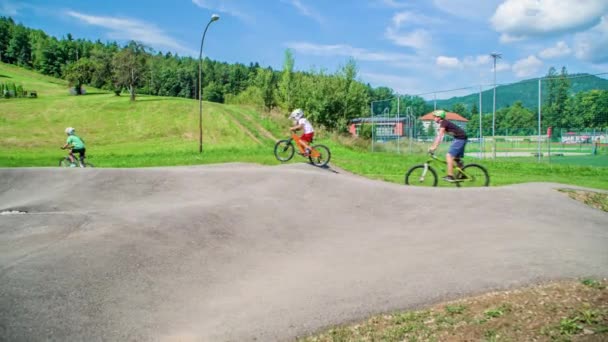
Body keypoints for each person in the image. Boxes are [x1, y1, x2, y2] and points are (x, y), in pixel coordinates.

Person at [428, 110, 467, 182]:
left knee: (449, 156)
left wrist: (434, 147)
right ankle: (463, 175)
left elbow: (440, 136)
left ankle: (450, 176)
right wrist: (433, 146)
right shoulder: (444, 123)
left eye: (435, 117)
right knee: (456, 159)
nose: (434, 118)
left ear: (439, 117)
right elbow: (439, 136)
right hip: (460, 138)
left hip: (460, 138)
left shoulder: (443, 123)